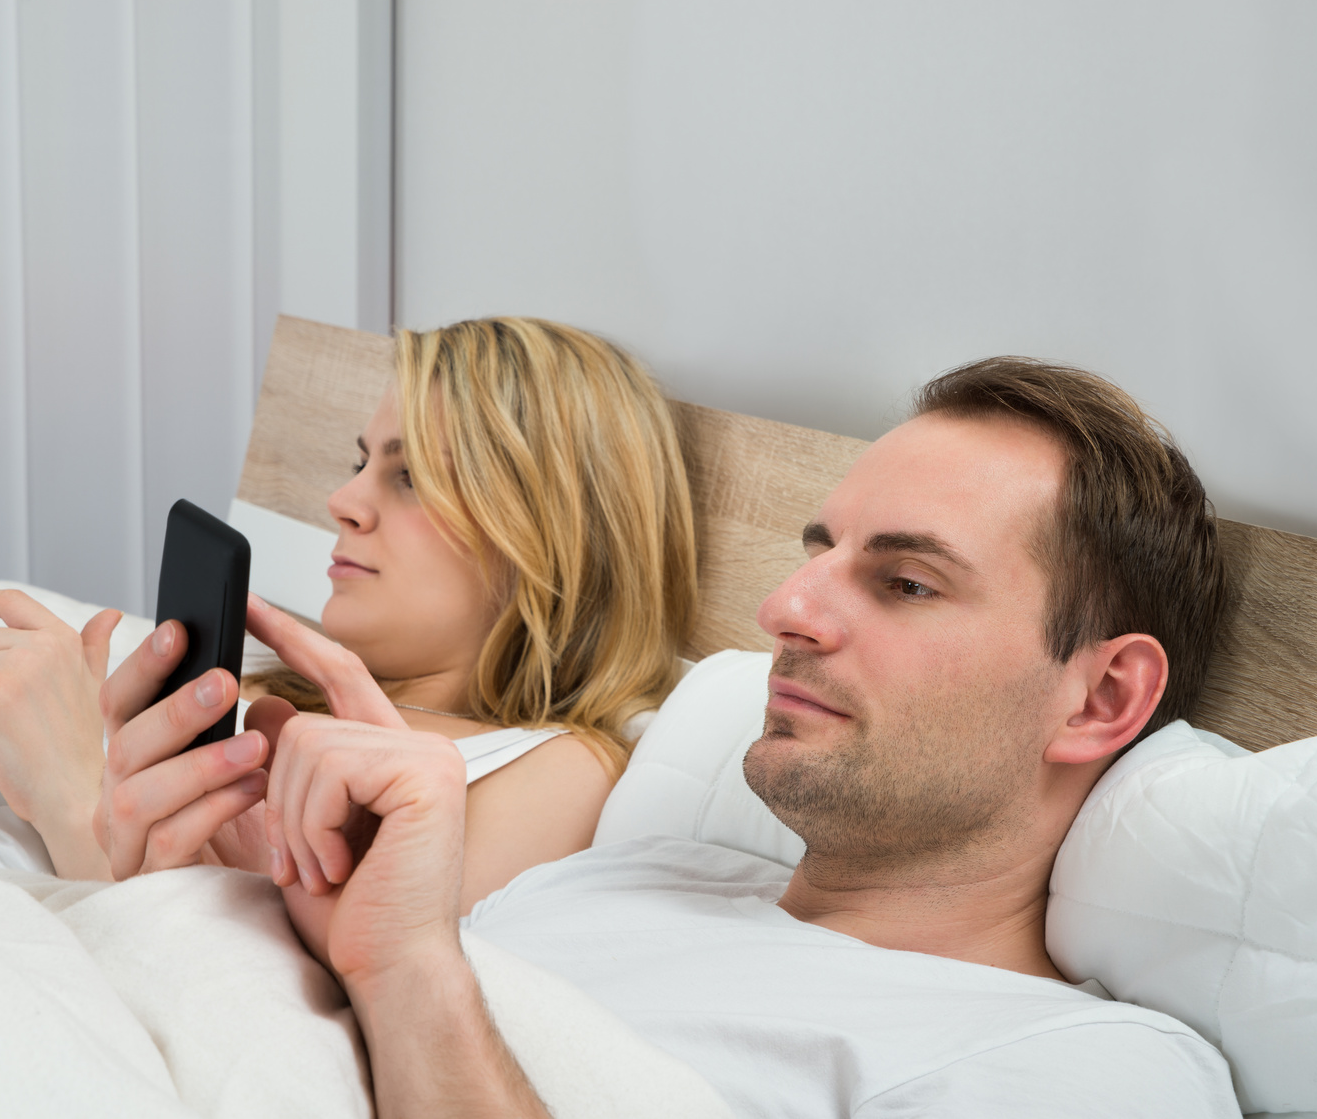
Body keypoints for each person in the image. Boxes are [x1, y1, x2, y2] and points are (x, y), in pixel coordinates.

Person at [99, 356, 1242, 1117]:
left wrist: (406, 975)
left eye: (902, 581)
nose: (786, 611)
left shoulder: (1084, 1072)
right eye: (815, 553)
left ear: (1098, 701)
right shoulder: (632, 876)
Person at [0, 317, 697, 891]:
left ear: (547, 535)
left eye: (412, 477)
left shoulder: (552, 770)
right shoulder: (244, 687)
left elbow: (315, 1009)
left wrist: (70, 794)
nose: (344, 502)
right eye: (360, 462)